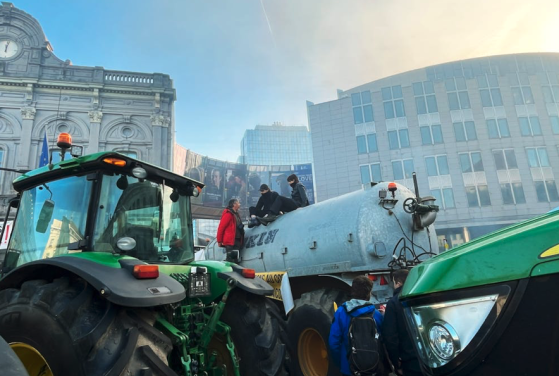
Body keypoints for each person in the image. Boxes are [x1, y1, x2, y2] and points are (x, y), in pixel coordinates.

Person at [329, 276, 385, 376]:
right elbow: (383, 341)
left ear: (353, 291)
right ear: (369, 293)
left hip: (349, 368)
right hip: (373, 367)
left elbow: (334, 343)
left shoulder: (341, 312)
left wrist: (341, 363)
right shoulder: (376, 314)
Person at [382, 269, 422, 376]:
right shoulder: (422, 297)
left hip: (409, 361)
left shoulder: (394, 303)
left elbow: (390, 337)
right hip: (428, 357)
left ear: (398, 283)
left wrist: (396, 362)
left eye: (394, 282)